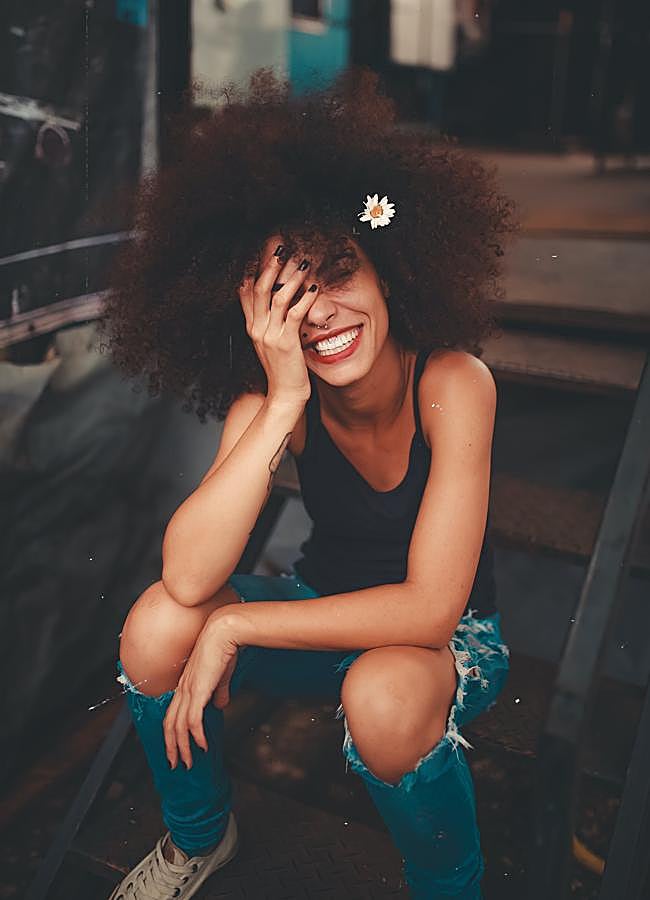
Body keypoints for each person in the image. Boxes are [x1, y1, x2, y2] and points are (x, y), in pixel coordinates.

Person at [101, 65, 516, 899]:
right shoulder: (273, 396)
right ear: (257, 314)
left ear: (389, 271)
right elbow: (188, 576)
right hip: (318, 615)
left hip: (440, 647)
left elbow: (430, 607)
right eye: (288, 294)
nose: (319, 312)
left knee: (385, 691)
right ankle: (199, 841)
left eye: (337, 272)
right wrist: (285, 395)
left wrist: (235, 631)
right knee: (156, 625)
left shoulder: (453, 383)